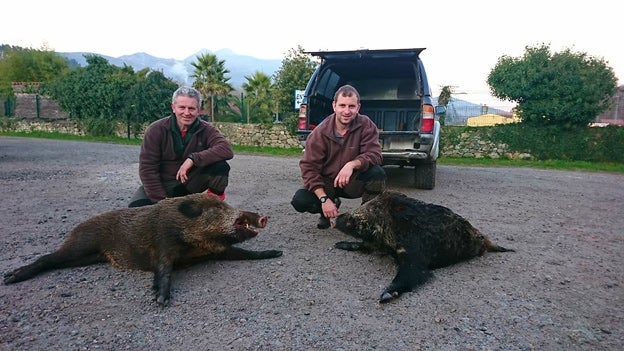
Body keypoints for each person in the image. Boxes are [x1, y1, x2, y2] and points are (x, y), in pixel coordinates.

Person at [290, 84, 387, 229]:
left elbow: (375, 155)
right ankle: (327, 209)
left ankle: (365, 218)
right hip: (327, 184)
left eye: (351, 106)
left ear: (358, 107)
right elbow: (309, 168)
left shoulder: (366, 125)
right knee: (300, 200)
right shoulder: (319, 133)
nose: (346, 111)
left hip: (353, 181)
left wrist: (352, 164)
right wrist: (324, 199)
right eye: (342, 105)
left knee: (377, 173)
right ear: (334, 106)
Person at [128, 86, 233, 208]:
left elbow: (226, 150)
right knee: (136, 211)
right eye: (182, 107)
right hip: (162, 185)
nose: (187, 113)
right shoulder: (156, 130)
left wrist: (193, 158)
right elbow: (147, 170)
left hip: (187, 185)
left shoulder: (206, 129)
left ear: (198, 110)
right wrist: (163, 204)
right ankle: (174, 207)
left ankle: (212, 207)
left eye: (192, 108)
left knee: (220, 166)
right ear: (173, 108)